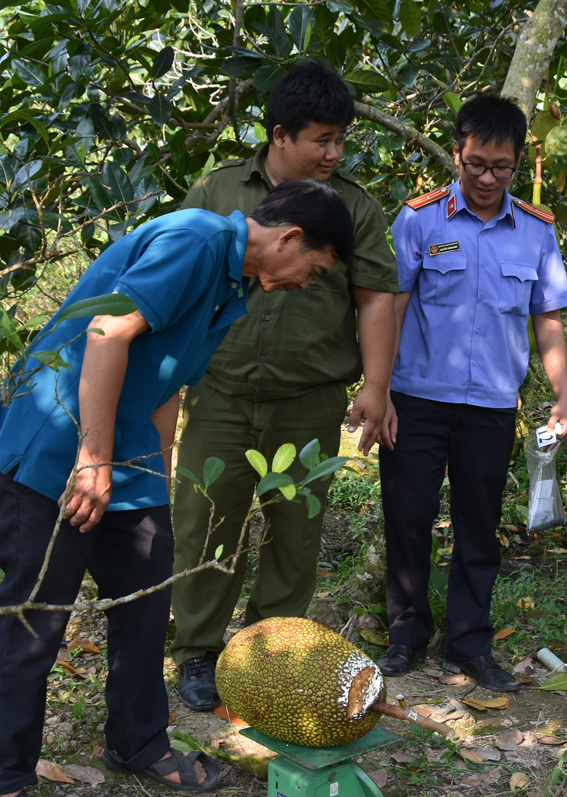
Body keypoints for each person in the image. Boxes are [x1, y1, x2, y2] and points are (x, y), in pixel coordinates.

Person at [0, 181, 355, 797]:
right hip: (61, 443)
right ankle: (3, 777)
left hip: (129, 455)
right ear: (290, 238)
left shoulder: (235, 286)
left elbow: (169, 381)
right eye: (313, 271)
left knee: (147, 603)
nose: (303, 284)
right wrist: (92, 459)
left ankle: (138, 744)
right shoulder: (196, 241)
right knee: (34, 618)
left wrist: (155, 471)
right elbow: (107, 332)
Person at [169, 62, 399, 712]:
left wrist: (376, 386)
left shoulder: (354, 206)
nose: (334, 152)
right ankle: (199, 652)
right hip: (220, 395)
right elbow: (180, 282)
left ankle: (268, 651)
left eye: (341, 140)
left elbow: (376, 300)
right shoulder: (218, 192)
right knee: (207, 519)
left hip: (310, 399)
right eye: (322, 139)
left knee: (294, 530)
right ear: (279, 135)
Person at [374, 94, 567, 691]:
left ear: (518, 164)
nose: (487, 179)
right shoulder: (419, 219)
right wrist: (377, 389)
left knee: (478, 525)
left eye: (501, 168)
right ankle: (406, 635)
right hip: (416, 400)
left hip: (490, 406)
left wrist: (562, 395)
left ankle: (468, 643)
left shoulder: (536, 232)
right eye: (475, 164)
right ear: (457, 152)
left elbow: (549, 319)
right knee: (407, 518)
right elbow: (392, 306)